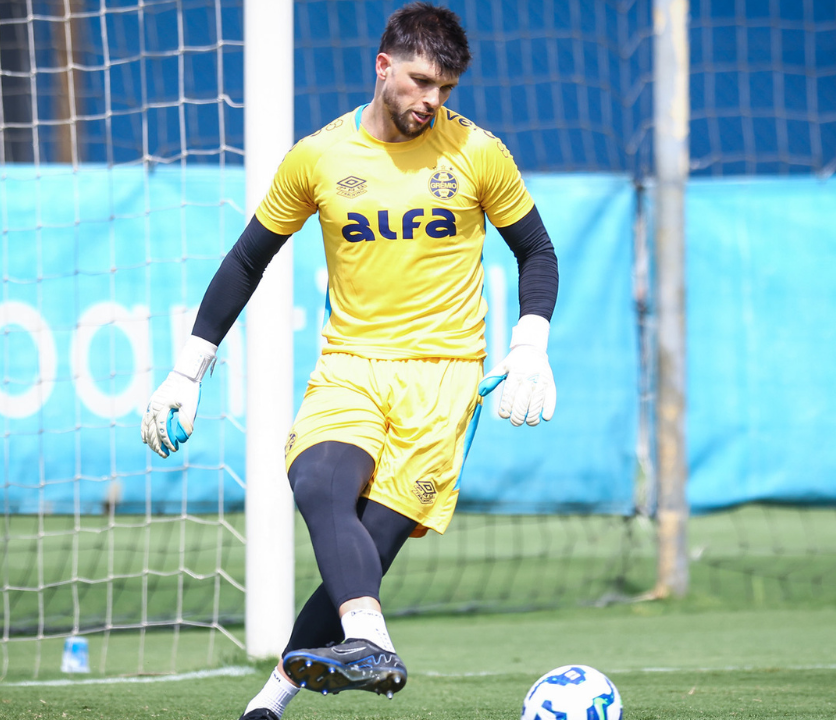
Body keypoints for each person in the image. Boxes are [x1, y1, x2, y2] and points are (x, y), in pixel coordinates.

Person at [140, 4, 559, 719]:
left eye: (447, 89)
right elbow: (248, 258)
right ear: (383, 65)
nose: (432, 100)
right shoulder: (320, 156)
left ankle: (269, 702)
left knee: (365, 547)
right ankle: (370, 640)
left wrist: (530, 345)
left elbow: (536, 252)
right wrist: (188, 370)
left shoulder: (478, 153)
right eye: (422, 81)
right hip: (352, 364)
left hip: (444, 378)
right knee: (316, 481)